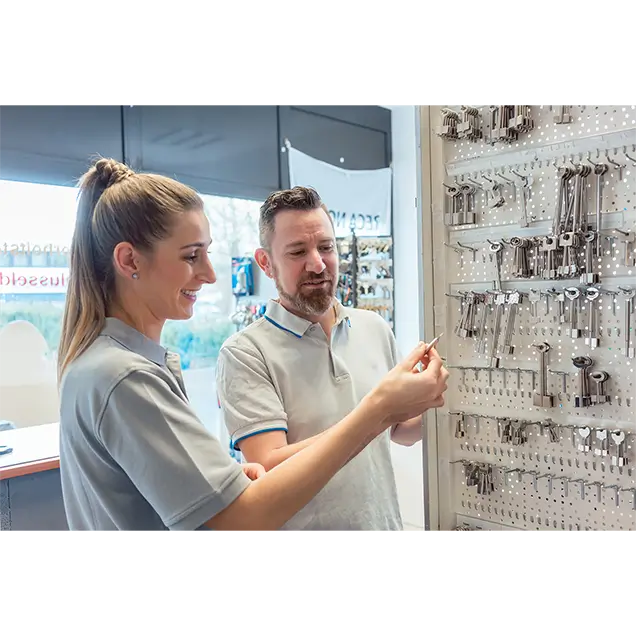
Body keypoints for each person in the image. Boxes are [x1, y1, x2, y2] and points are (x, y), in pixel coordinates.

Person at [57, 158, 449, 536]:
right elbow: (242, 521)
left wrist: (226, 484)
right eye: (192, 256)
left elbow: (197, 506)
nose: (211, 274)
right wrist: (377, 409)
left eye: (327, 248)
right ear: (129, 260)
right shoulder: (126, 376)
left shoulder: (117, 365)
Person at [216, 186, 447, 534]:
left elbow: (399, 431)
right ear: (266, 263)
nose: (318, 263)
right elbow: (269, 465)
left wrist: (436, 398)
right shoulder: (245, 354)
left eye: (326, 247)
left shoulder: (373, 327)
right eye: (297, 252)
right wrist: (378, 409)